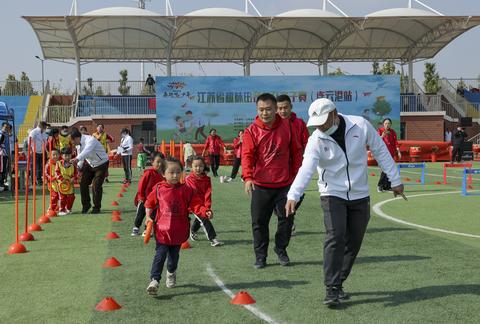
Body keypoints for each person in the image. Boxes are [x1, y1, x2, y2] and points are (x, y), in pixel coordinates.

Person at [285, 98, 404, 306]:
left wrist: (395, 180)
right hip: (332, 193)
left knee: (354, 241)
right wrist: (293, 194)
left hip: (360, 194)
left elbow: (380, 151)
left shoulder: (360, 125)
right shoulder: (316, 140)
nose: (320, 126)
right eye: (317, 123)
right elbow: (307, 168)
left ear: (334, 114)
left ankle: (338, 282)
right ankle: (331, 288)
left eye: (323, 121)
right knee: (335, 235)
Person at [242, 93, 302, 269]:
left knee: (287, 219)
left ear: (276, 109)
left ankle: (281, 249)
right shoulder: (251, 131)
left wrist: (296, 177)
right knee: (259, 223)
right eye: (261, 109)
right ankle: (261, 257)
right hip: (260, 186)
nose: (265, 113)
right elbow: (247, 156)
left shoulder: (287, 127)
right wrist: (248, 177)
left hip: (285, 184)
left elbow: (296, 152)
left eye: (268, 109)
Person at [144, 157, 212, 295]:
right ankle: (154, 280)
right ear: (163, 173)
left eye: (178, 172)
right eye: (171, 172)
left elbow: (196, 205)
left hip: (179, 230)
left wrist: (205, 211)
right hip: (162, 231)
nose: (175, 175)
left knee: (173, 259)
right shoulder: (158, 189)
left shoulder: (186, 190)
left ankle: (171, 272)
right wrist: (147, 217)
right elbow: (149, 204)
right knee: (160, 254)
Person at [277, 94, 310, 235]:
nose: (282, 111)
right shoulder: (273, 124)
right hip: (277, 169)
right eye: (279, 108)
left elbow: (307, 144)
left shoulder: (299, 124)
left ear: (291, 107)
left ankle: (288, 216)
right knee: (277, 199)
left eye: (285, 107)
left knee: (299, 194)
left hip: (297, 168)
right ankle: (286, 219)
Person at [70, 128, 109, 214]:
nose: (72, 143)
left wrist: (76, 159)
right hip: (90, 164)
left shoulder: (90, 140)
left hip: (102, 163)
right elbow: (81, 156)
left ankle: (97, 207)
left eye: (72, 140)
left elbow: (86, 152)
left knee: (96, 185)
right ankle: (86, 205)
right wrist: (78, 167)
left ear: (76, 138)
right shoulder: (78, 144)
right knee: (83, 182)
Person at [186, 156, 223, 247]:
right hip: (193, 204)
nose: (198, 168)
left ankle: (193, 230)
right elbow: (193, 197)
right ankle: (213, 239)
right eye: (196, 166)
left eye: (201, 166)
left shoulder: (207, 179)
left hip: (202, 205)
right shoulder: (189, 179)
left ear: (204, 166)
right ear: (191, 166)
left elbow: (208, 194)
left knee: (201, 218)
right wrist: (204, 210)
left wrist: (207, 208)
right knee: (204, 219)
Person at [131, 152, 165, 237]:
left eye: (162, 162)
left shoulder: (163, 175)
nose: (160, 164)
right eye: (158, 162)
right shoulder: (149, 173)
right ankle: (136, 227)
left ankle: (147, 229)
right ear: (152, 162)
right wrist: (141, 197)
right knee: (140, 214)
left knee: (151, 216)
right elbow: (141, 185)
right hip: (144, 199)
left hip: (154, 202)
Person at [377, 118, 402, 192]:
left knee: (390, 170)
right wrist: (382, 136)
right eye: (385, 123)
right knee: (385, 170)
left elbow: (395, 142)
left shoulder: (393, 132)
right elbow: (376, 140)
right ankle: (380, 186)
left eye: (388, 123)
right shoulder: (380, 131)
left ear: (390, 124)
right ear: (383, 124)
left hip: (391, 153)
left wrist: (398, 151)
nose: (387, 125)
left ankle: (387, 186)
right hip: (383, 153)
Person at [55, 147, 77, 216]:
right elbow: (57, 172)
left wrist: (73, 178)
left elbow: (76, 173)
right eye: (66, 155)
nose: (67, 157)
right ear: (62, 156)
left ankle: (68, 209)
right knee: (62, 198)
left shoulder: (73, 163)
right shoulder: (58, 163)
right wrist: (62, 179)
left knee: (71, 197)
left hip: (70, 184)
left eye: (69, 155)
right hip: (62, 184)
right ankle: (61, 209)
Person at [45, 149, 60, 214]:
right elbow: (46, 174)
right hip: (52, 183)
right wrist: (53, 178)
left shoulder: (60, 163)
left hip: (59, 182)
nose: (55, 156)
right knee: (54, 195)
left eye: (56, 154)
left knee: (60, 195)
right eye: (53, 155)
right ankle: (51, 208)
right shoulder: (48, 164)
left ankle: (57, 207)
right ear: (50, 156)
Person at [0, 123, 9, 191]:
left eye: (7, 127)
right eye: (5, 127)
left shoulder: (6, 134)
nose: (6, 128)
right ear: (2, 127)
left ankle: (2, 184)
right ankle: (1, 184)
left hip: (5, 154)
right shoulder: (1, 134)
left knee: (4, 170)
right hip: (1, 154)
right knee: (1, 169)